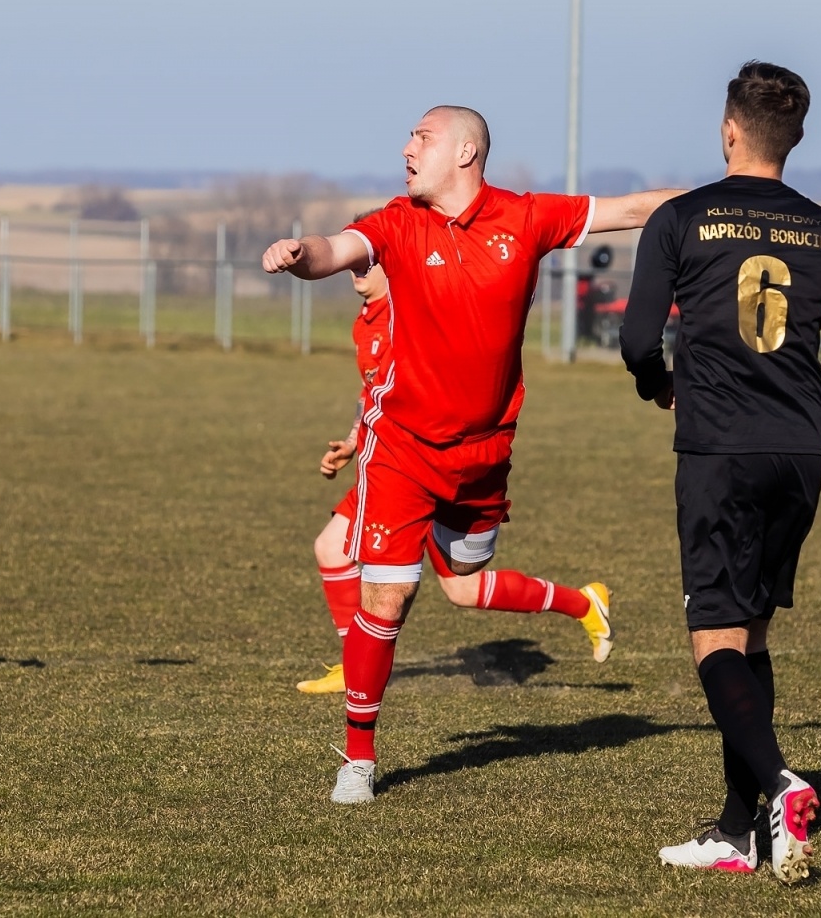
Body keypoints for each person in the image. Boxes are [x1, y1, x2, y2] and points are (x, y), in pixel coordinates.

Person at [261, 105, 683, 805]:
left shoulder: (526, 218)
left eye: (419, 138)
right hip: (402, 447)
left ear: (464, 152)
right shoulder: (396, 223)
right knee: (387, 594)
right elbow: (333, 249)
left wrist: (731, 197)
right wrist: (299, 254)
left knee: (464, 575)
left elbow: (636, 207)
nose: (405, 148)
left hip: (485, 454)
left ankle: (580, 603)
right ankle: (359, 759)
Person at [619, 62, 821, 883]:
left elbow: (637, 340)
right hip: (797, 456)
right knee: (754, 629)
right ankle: (741, 833)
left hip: (720, 451)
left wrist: (659, 386)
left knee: (713, 635)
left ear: (729, 129)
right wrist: (814, 420)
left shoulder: (682, 218)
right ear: (793, 139)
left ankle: (776, 783)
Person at [297, 257, 611, 695]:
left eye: (366, 261)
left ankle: (582, 603)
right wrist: (353, 440)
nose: (356, 270)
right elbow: (372, 391)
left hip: (430, 464)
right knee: (336, 549)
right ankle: (356, 664)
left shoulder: (412, 315)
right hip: (390, 463)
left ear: (392, 264)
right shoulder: (366, 322)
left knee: (458, 588)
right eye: (351, 262)